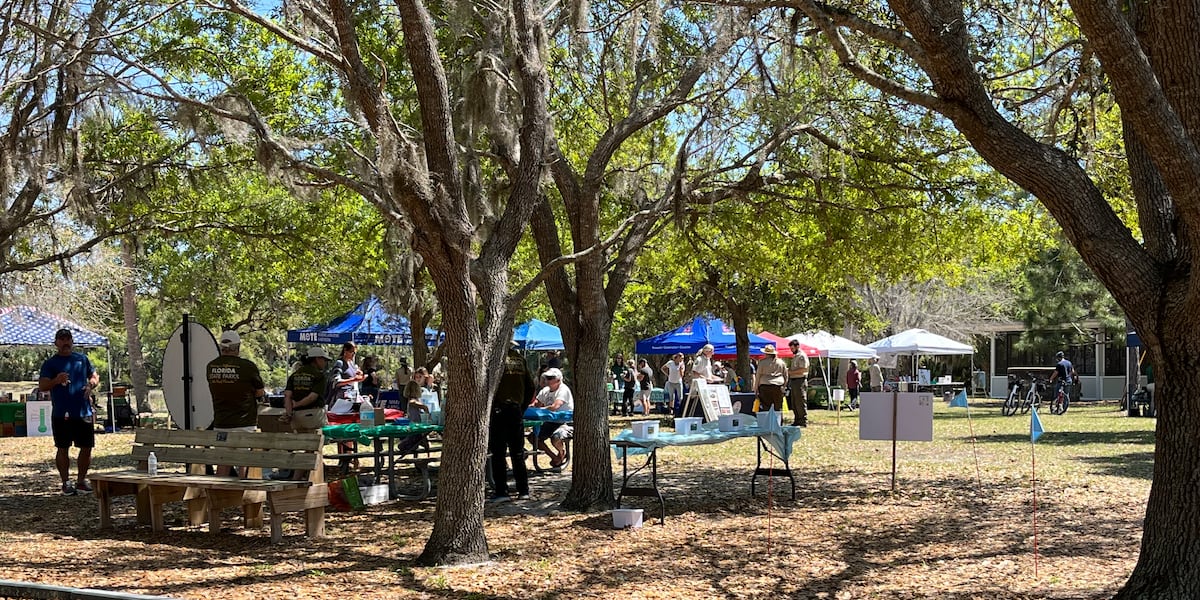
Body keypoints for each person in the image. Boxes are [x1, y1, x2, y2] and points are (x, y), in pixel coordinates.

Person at [38, 328, 100, 496]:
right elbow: (43, 386)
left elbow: (94, 376)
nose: (65, 342)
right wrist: (56, 380)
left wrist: (90, 385)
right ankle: (66, 482)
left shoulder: (82, 359)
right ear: (56, 343)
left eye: (68, 339)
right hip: (61, 413)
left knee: (86, 447)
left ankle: (81, 481)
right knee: (63, 447)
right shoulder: (50, 364)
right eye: (62, 339)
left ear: (72, 341)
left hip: (83, 411)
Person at [206, 330, 267, 476]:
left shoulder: (211, 366)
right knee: (243, 462)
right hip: (244, 422)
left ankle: (220, 495)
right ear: (237, 347)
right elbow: (260, 391)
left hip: (221, 422)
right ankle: (243, 493)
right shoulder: (247, 366)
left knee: (223, 461)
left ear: (222, 347)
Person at [489, 348, 536, 503]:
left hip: (498, 410)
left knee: (498, 453)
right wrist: (521, 407)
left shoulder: (493, 357)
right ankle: (523, 490)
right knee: (517, 453)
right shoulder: (520, 359)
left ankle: (502, 491)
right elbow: (530, 387)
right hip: (516, 410)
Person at [531, 367, 574, 469]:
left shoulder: (563, 390)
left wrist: (540, 410)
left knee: (556, 437)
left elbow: (555, 407)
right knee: (533, 437)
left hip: (564, 422)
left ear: (558, 380)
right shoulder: (545, 390)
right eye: (546, 377)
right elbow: (536, 404)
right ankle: (555, 457)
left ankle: (561, 452)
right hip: (549, 422)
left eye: (550, 378)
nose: (547, 380)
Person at [283, 347, 331, 432]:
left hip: (296, 416)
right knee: (315, 443)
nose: (325, 363)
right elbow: (312, 397)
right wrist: (297, 404)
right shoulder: (319, 376)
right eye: (324, 360)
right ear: (317, 359)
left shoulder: (294, 375)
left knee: (299, 443)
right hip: (314, 415)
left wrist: (289, 413)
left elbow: (287, 396)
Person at [329, 342, 365, 407]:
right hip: (341, 400)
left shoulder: (351, 363)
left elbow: (354, 375)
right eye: (352, 352)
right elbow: (337, 382)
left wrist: (359, 374)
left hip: (352, 397)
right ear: (345, 350)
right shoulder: (339, 363)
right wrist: (354, 379)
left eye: (355, 353)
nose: (353, 355)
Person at [753, 345, 788, 412]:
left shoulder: (762, 362)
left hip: (765, 387)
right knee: (778, 407)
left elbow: (758, 376)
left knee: (766, 407)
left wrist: (756, 388)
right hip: (778, 386)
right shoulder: (781, 362)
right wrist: (784, 387)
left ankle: (767, 422)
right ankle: (778, 421)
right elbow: (786, 376)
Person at [787, 340, 810, 427]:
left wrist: (791, 372)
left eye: (792, 348)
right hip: (794, 381)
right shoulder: (795, 356)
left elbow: (804, 369)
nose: (791, 350)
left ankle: (803, 420)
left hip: (800, 380)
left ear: (797, 346)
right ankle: (797, 420)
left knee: (800, 401)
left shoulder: (801, 356)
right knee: (794, 402)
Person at [661, 352, 686, 417]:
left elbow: (682, 375)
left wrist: (680, 369)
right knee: (671, 397)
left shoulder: (682, 364)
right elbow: (663, 368)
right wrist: (667, 374)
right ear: (677, 357)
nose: (682, 360)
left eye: (682, 358)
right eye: (681, 358)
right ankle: (671, 411)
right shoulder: (670, 363)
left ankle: (681, 410)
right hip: (671, 382)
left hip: (678, 382)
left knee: (680, 397)